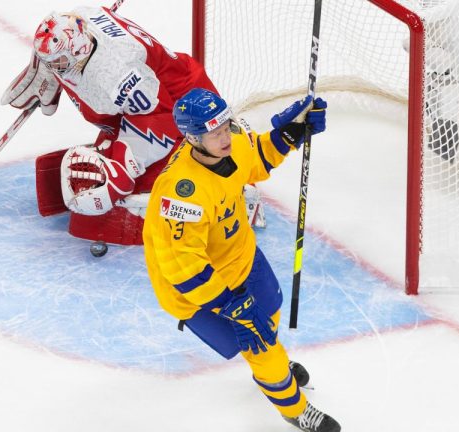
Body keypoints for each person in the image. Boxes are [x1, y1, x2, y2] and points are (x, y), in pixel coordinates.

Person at [142, 88, 340, 432]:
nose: (225, 136)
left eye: (225, 126)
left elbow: (257, 156)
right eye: (215, 132)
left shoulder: (228, 141)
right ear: (192, 138)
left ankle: (269, 369)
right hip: (200, 289)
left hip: (240, 255)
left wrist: (291, 133)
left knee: (270, 314)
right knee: (260, 341)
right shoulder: (181, 192)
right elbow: (182, 268)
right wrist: (231, 304)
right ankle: (293, 407)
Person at [0, 6, 264, 244]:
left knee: (156, 180)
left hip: (182, 108)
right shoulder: (80, 17)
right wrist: (45, 70)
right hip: (153, 96)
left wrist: (122, 169)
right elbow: (63, 44)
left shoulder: (118, 74)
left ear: (79, 49)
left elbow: (161, 121)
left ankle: (228, 189)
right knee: (110, 140)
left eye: (57, 63)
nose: (55, 68)